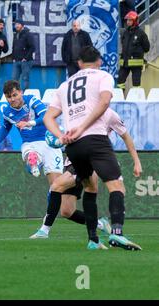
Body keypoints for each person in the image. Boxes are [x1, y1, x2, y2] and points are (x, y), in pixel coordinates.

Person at [44, 45, 142, 250]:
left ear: (79, 63)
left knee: (90, 187)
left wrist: (62, 136)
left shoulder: (64, 85)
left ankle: (93, 240)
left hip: (72, 147)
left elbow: (48, 117)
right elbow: (105, 101)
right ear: (98, 61)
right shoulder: (103, 76)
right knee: (116, 186)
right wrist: (82, 127)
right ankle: (117, 233)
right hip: (94, 140)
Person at [30, 108, 142, 239]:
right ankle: (100, 225)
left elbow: (126, 136)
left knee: (56, 185)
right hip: (72, 158)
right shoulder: (79, 110)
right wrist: (62, 138)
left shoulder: (110, 114)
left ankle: (44, 230)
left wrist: (136, 161)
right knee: (67, 211)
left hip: (90, 158)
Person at [0, 80, 63, 212]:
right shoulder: (7, 112)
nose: (12, 99)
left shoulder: (32, 101)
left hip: (48, 142)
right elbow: (5, 129)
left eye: (14, 95)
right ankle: (33, 161)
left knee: (56, 186)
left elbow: (45, 116)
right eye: (8, 97)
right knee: (30, 155)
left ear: (21, 92)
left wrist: (29, 123)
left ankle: (49, 216)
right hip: (30, 143)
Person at [117, 11, 150, 91]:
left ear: (135, 21)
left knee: (136, 84)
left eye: (130, 20)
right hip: (125, 62)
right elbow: (123, 44)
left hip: (136, 64)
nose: (128, 22)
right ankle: (120, 99)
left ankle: (136, 101)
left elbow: (147, 48)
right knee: (120, 82)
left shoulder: (141, 33)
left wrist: (138, 53)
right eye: (127, 20)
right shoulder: (125, 32)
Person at [11, 19, 35, 90]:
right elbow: (13, 47)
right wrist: (13, 58)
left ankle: (24, 96)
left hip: (26, 61)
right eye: (15, 24)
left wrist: (26, 58)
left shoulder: (28, 34)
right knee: (14, 79)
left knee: (25, 78)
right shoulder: (16, 34)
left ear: (22, 25)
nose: (17, 26)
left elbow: (32, 47)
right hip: (16, 61)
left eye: (18, 24)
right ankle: (15, 95)